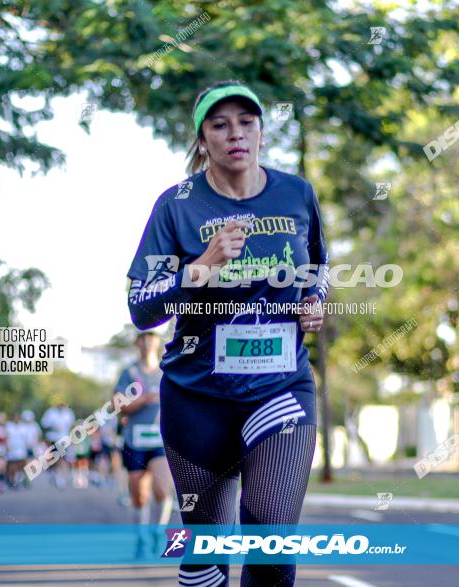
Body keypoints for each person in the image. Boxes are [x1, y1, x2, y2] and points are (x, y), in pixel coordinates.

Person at [126, 81, 328, 586]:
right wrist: (201, 268)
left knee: (271, 534)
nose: (235, 133)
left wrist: (313, 301)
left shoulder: (297, 193)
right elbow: (141, 307)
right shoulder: (176, 205)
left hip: (280, 386)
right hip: (198, 395)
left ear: (261, 131)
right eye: (219, 124)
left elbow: (321, 266)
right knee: (207, 552)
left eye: (246, 122)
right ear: (202, 141)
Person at [113, 326, 176, 556]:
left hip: (160, 441)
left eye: (152, 337)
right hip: (135, 441)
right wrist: (144, 400)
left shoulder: (167, 369)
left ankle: (158, 533)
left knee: (162, 488)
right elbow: (116, 404)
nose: (148, 341)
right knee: (139, 494)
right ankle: (141, 537)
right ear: (137, 343)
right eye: (143, 337)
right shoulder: (129, 373)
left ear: (158, 342)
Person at [40, 399, 75, 489]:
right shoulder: (51, 412)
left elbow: (72, 426)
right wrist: (52, 425)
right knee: (54, 458)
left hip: (63, 439)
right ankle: (54, 473)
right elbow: (44, 424)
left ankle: (61, 478)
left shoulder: (69, 413)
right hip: (52, 438)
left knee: (62, 458)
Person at [5, 411, 29, 488]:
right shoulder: (8, 426)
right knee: (12, 465)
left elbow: (26, 438)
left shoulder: (23, 427)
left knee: (21, 464)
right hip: (11, 448)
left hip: (21, 449)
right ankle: (12, 479)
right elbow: (6, 436)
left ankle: (19, 479)